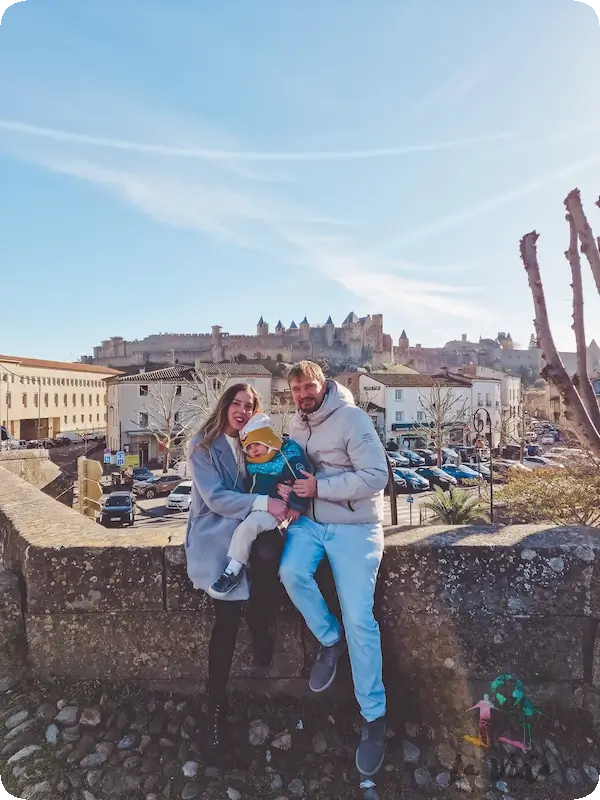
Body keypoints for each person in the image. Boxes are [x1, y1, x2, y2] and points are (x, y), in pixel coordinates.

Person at [278, 361, 389, 777]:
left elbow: (378, 475)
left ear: (323, 384)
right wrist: (288, 487)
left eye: (308, 386)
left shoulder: (352, 418)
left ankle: (375, 716)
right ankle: (329, 638)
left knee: (361, 619)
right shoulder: (296, 423)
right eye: (296, 389)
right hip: (310, 523)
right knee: (290, 573)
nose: (303, 394)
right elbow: (295, 471)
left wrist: (320, 487)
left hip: (354, 526)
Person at [185, 384, 289, 756]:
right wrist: (263, 500)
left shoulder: (253, 441)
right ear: (225, 404)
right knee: (226, 619)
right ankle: (214, 712)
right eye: (237, 403)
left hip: (247, 527)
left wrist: (284, 490)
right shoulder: (202, 445)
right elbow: (214, 497)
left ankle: (262, 629)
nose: (243, 411)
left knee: (268, 554)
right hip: (216, 531)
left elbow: (274, 471)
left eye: (250, 406)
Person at [208, 412, 311, 599]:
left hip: (274, 511)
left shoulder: (287, 457)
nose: (253, 451)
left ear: (268, 440)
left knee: (248, 527)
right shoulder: (254, 464)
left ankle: (233, 569)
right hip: (259, 507)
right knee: (246, 528)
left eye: (257, 445)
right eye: (249, 447)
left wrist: (297, 505)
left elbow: (302, 480)